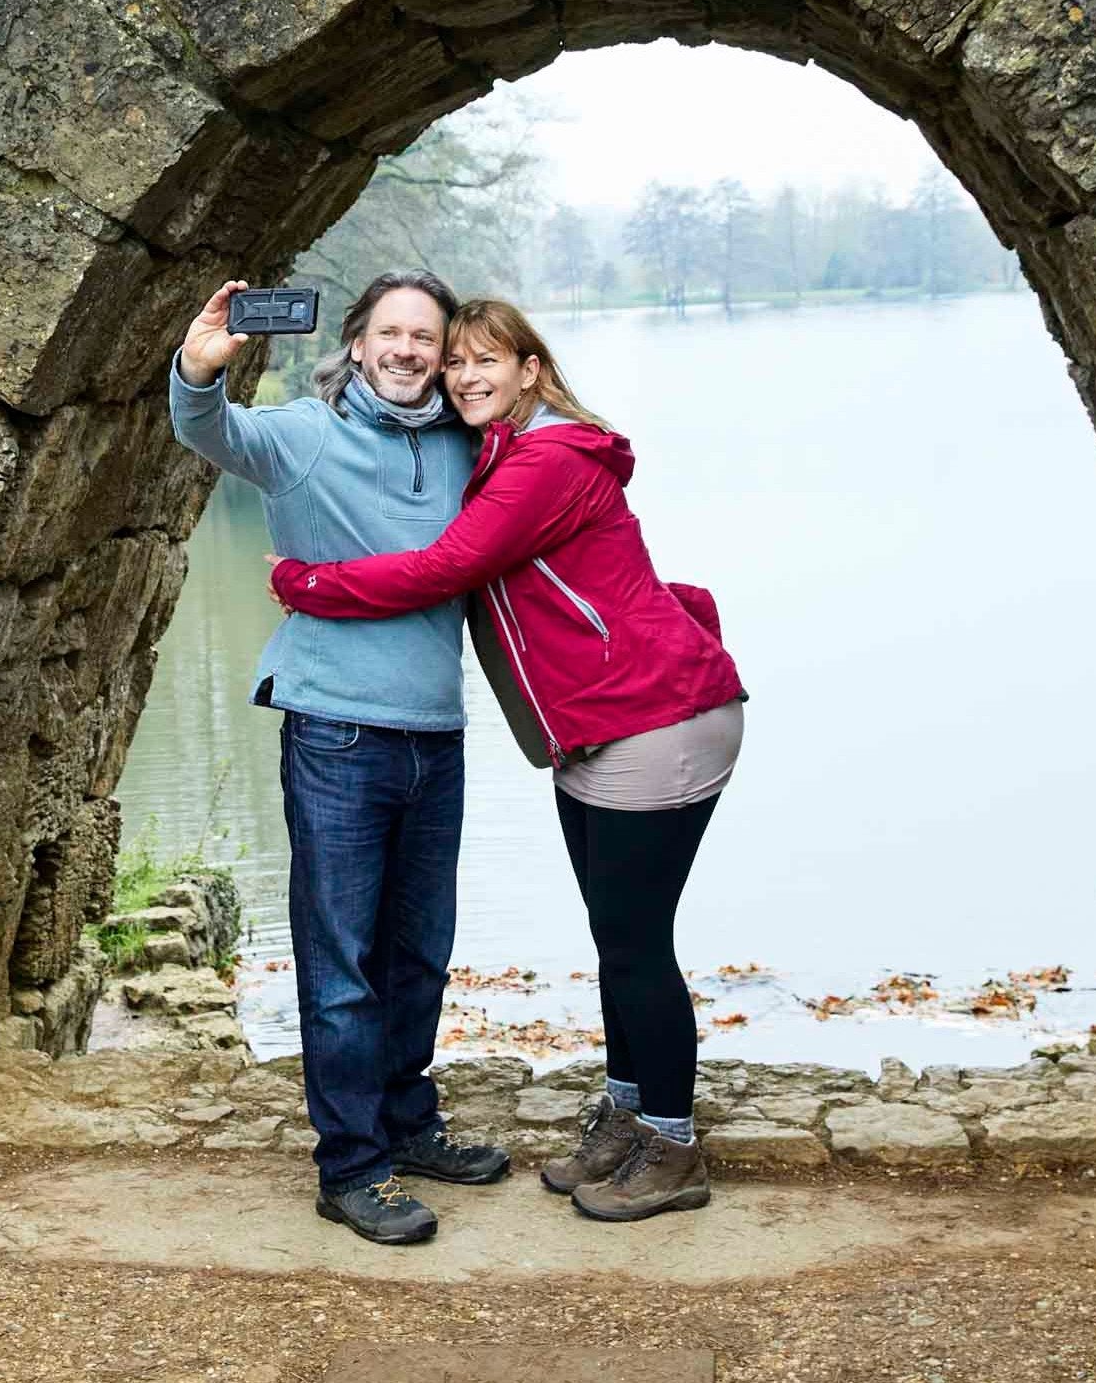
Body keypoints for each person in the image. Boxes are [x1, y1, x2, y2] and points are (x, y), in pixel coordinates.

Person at [269, 297, 746, 1223]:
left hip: (655, 713)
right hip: (602, 723)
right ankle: (626, 1118)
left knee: (639, 945)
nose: (465, 376)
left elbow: (445, 567)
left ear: (532, 369)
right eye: (455, 363)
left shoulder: (546, 461)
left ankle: (675, 1147)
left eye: (488, 360)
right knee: (619, 942)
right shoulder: (503, 455)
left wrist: (305, 582)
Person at [168, 272, 513, 1247]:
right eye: (391, 333)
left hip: (436, 735)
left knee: (419, 953)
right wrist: (201, 368)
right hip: (334, 734)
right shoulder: (305, 435)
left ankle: (408, 1124)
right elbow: (212, 434)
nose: (407, 351)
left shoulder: (463, 447)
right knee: (341, 969)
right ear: (358, 343)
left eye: (426, 338)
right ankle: (352, 1168)